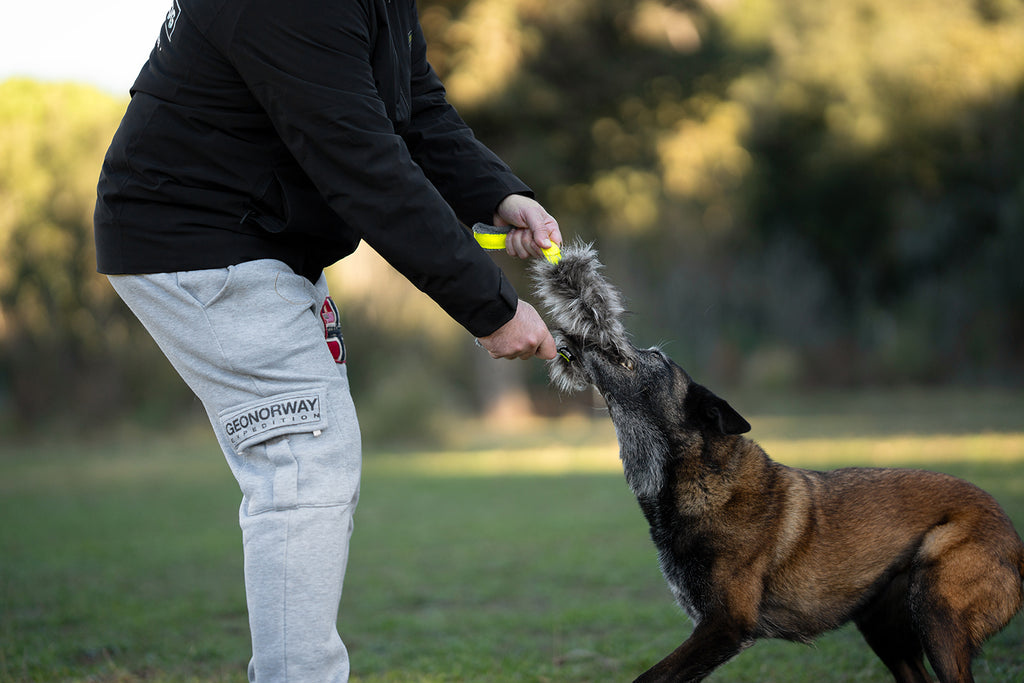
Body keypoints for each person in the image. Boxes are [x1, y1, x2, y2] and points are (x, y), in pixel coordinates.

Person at [93, 0, 561, 680]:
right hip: (198, 239)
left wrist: (497, 195)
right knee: (305, 461)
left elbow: (415, 110)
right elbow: (363, 162)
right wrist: (491, 307)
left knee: (313, 457)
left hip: (261, 240)